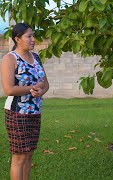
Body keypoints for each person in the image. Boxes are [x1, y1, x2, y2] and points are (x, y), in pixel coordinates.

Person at [1, 23, 49, 179]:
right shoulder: (10, 58)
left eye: (33, 35)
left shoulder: (36, 57)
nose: (33, 39)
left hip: (35, 112)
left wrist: (41, 90)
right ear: (18, 39)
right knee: (19, 157)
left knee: (28, 155)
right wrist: (32, 88)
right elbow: (9, 89)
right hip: (17, 113)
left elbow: (45, 84)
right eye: (29, 36)